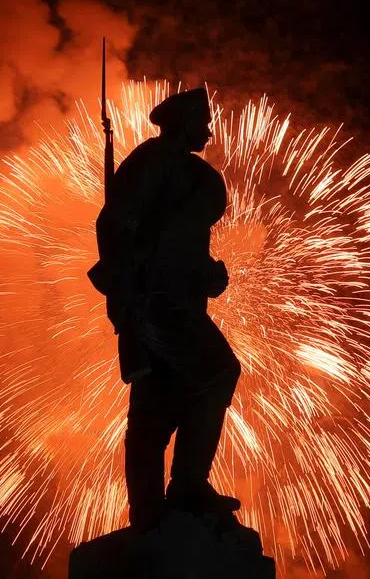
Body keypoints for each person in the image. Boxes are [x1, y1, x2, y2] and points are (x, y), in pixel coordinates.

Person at [89, 87, 243, 532]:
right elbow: (114, 225)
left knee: (157, 403)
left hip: (176, 300)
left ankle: (153, 507)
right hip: (154, 301)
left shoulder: (186, 172)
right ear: (184, 123)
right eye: (203, 122)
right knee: (216, 371)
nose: (209, 131)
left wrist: (206, 275)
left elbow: (181, 243)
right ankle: (185, 485)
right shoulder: (152, 162)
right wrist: (127, 294)